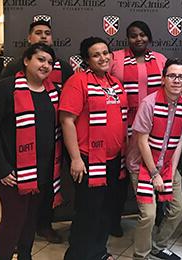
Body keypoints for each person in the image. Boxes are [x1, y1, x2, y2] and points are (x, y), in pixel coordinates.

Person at [0, 43, 62, 260]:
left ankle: (25, 256)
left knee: (30, 219)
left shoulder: (54, 92)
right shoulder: (6, 88)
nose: (45, 65)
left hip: (41, 171)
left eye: (50, 62)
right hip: (11, 171)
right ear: (26, 60)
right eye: (40, 59)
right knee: (13, 219)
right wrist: (2, 167)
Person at [0, 19, 73, 243]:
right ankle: (15, 236)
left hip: (52, 146)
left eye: (47, 33)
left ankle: (43, 225)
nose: (43, 36)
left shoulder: (63, 67)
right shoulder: (13, 69)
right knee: (17, 203)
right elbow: (1, 110)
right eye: (38, 33)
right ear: (29, 39)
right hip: (19, 147)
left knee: (47, 190)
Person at [60, 37, 128, 260]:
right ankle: (77, 255)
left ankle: (98, 252)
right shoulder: (77, 82)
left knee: (105, 210)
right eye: (96, 54)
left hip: (112, 158)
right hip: (88, 159)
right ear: (87, 60)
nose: (103, 57)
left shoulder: (115, 83)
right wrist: (76, 159)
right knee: (88, 211)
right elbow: (67, 120)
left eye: (106, 52)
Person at [127, 58, 182, 260]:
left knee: (179, 209)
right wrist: (155, 174)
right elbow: (142, 141)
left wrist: (171, 171)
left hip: (167, 164)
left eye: (181, 77)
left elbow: (179, 140)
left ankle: (158, 245)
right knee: (149, 214)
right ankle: (141, 254)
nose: (176, 80)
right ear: (163, 79)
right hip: (143, 165)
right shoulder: (149, 103)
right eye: (172, 76)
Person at [109, 20, 167, 235]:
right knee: (119, 178)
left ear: (149, 37)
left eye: (143, 35)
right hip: (123, 127)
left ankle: (159, 217)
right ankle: (113, 220)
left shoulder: (160, 60)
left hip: (154, 127)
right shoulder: (115, 58)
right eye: (134, 35)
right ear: (127, 38)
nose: (139, 39)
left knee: (158, 170)